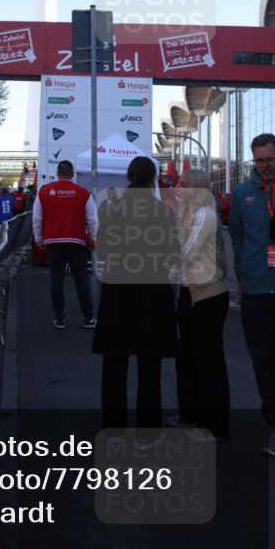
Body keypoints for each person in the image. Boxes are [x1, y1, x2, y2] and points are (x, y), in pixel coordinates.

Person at [93, 156, 180, 433]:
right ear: (153, 178)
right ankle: (148, 430)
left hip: (117, 293)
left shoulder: (111, 209)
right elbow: (172, 253)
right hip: (153, 294)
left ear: (129, 177)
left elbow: (102, 250)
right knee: (150, 366)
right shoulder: (163, 212)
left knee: (114, 365)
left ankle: (113, 427)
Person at [229, 132, 275, 457]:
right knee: (262, 362)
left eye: (270, 159)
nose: (265, 165)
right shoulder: (243, 193)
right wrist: (241, 276)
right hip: (256, 289)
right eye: (259, 160)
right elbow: (237, 238)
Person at [170, 170, 230, 441]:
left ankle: (215, 427)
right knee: (188, 357)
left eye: (182, 184)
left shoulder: (205, 215)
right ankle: (191, 414)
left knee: (208, 362)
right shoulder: (187, 214)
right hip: (189, 293)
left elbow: (186, 252)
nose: (176, 187)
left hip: (208, 296)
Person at [33, 160, 98, 330]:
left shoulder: (44, 192)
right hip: (78, 243)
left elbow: (37, 219)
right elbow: (93, 220)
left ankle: (60, 319)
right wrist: (92, 239)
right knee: (82, 281)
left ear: (57, 173)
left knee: (57, 281)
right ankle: (88, 318)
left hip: (54, 243)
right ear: (73, 174)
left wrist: (39, 240)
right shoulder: (84, 193)